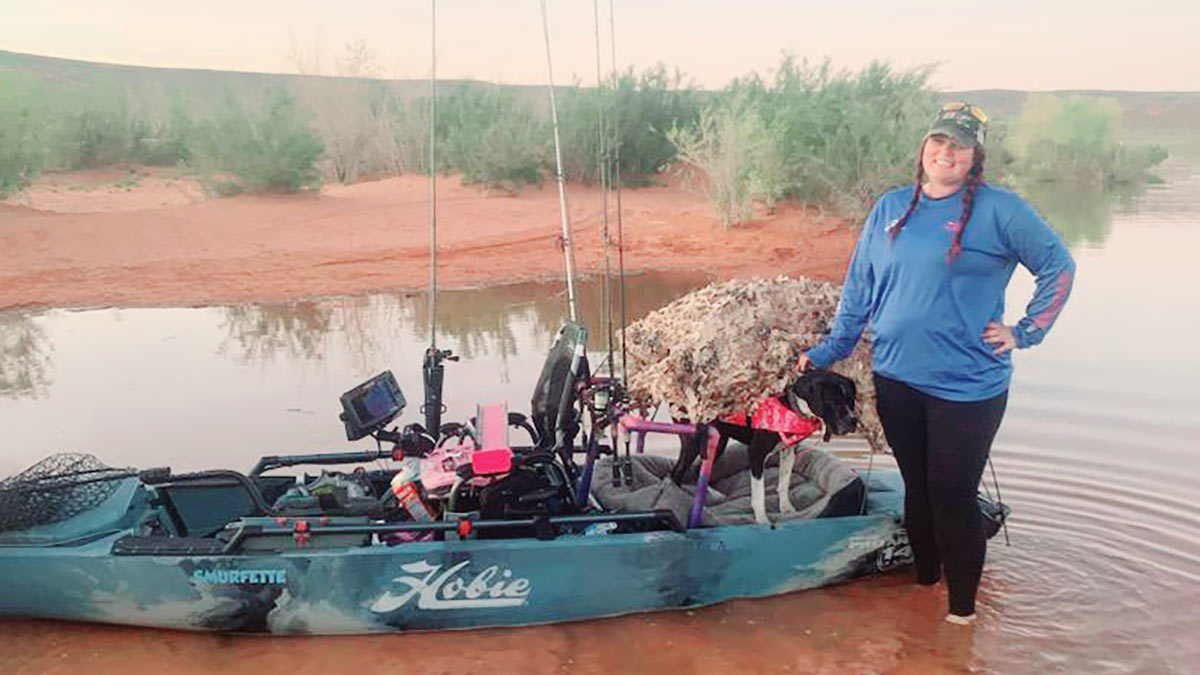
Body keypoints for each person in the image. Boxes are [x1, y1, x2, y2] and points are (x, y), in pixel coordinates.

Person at [798, 102, 1075, 625]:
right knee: (918, 488)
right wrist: (830, 349)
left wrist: (1026, 331)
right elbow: (861, 287)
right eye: (939, 142)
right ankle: (926, 589)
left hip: (968, 385)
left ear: (975, 157)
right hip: (898, 377)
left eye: (960, 146)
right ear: (924, 148)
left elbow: (1059, 267)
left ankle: (961, 620)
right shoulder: (891, 208)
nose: (946, 153)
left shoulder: (1003, 211)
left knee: (952, 492)